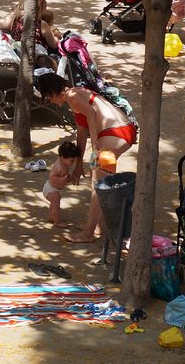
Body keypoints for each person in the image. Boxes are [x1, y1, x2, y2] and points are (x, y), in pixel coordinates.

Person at [34, 72, 137, 244]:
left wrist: (95, 146)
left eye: (47, 98)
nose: (50, 101)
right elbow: (81, 132)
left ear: (51, 93)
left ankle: (88, 233)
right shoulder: (75, 94)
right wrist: (79, 163)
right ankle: (94, 226)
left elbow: (90, 114)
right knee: (96, 180)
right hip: (122, 131)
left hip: (115, 133)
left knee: (99, 184)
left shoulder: (72, 97)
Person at [43, 142, 80, 229]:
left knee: (53, 204)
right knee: (56, 205)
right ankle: (57, 222)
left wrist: (70, 178)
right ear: (63, 157)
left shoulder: (65, 163)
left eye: (74, 160)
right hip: (51, 189)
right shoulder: (58, 166)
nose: (73, 162)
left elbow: (67, 176)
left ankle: (51, 217)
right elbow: (52, 177)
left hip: (56, 189)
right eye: (71, 160)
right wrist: (62, 180)